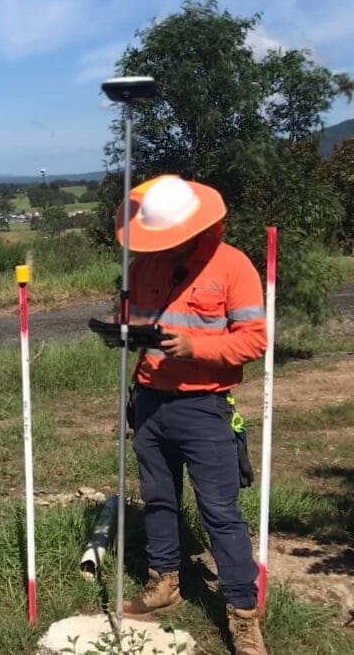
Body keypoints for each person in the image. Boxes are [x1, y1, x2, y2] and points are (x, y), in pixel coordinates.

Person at [116, 175, 268, 655]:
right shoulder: (143, 267)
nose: (165, 248)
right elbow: (134, 320)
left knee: (220, 511)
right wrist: (122, 330)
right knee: (159, 499)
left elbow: (255, 339)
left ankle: (243, 614)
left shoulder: (233, 265)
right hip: (149, 400)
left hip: (203, 406)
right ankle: (166, 583)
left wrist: (195, 347)